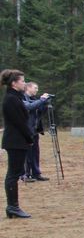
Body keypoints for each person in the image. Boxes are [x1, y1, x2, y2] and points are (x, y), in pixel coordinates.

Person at [2, 69, 34, 217]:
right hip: (15, 141)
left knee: (14, 173)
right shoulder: (11, 99)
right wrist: (29, 138)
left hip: (17, 140)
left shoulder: (15, 98)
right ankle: (12, 207)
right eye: (22, 81)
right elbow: (20, 122)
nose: (24, 83)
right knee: (13, 174)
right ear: (14, 83)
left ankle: (13, 206)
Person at [22, 82, 50, 181]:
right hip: (26, 130)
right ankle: (25, 174)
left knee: (35, 153)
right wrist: (41, 100)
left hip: (35, 130)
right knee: (27, 154)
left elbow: (41, 111)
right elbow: (30, 107)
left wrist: (45, 103)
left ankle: (36, 173)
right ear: (28, 88)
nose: (37, 90)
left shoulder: (34, 99)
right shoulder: (22, 98)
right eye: (35, 88)